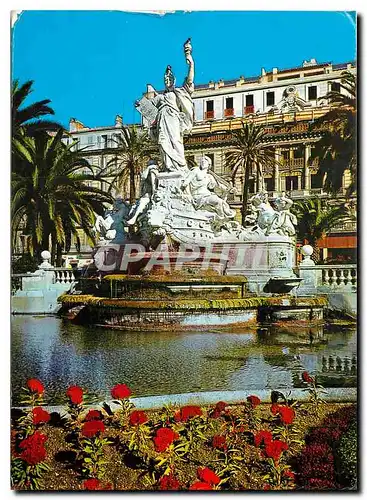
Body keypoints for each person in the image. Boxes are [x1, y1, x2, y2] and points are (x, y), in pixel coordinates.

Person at [149, 39, 195, 172]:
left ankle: (180, 166)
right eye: (165, 79)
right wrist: (140, 105)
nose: (167, 80)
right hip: (162, 121)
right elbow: (149, 108)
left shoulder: (179, 92)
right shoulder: (160, 97)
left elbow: (190, 79)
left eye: (169, 79)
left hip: (174, 119)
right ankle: (167, 166)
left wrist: (190, 60)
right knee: (163, 143)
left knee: (175, 141)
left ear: (174, 80)